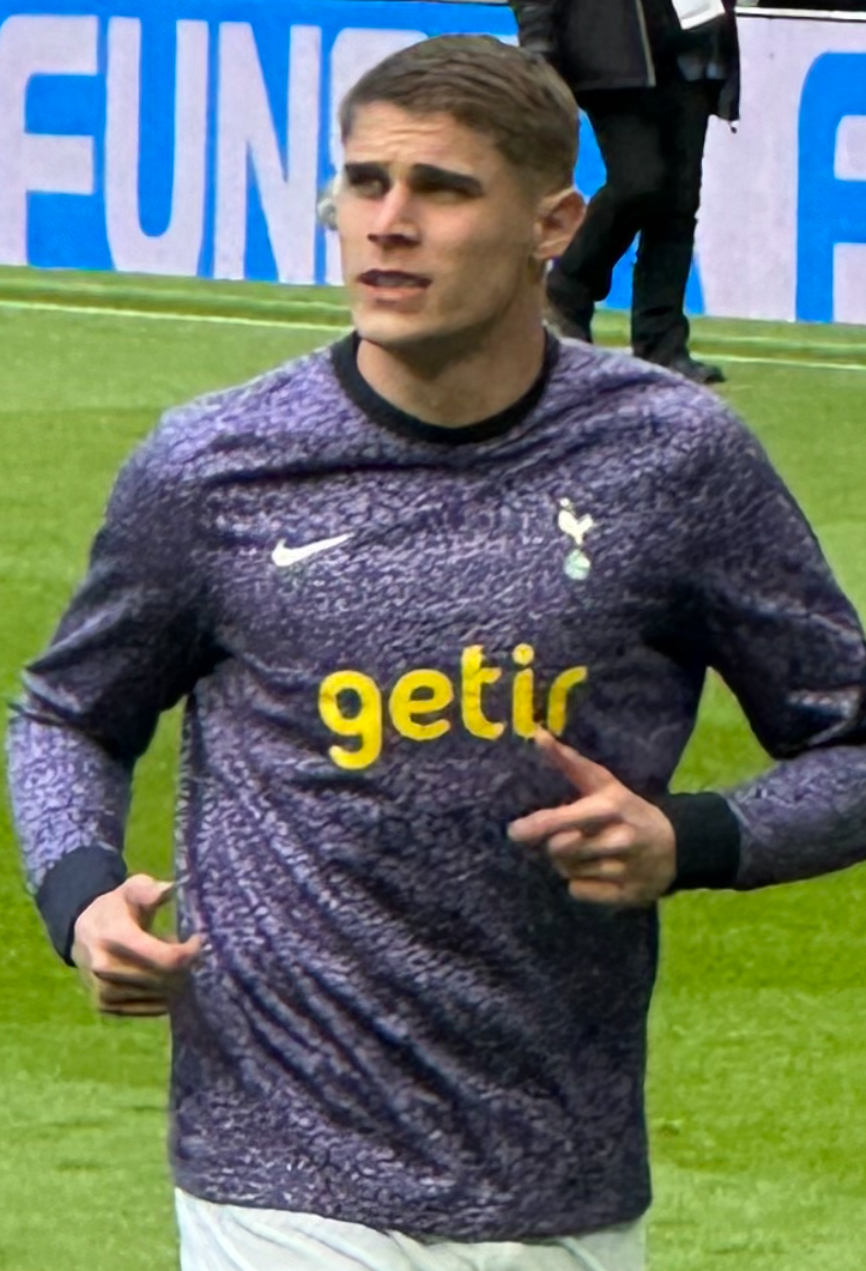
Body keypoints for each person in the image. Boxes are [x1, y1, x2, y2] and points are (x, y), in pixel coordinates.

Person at [7, 33, 866, 1271]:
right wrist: (81, 893)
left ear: (551, 223)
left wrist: (695, 838)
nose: (388, 223)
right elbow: (70, 712)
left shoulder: (672, 459)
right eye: (363, 183)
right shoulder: (211, 465)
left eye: (442, 188)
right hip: (277, 1176)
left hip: (556, 1176)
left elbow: (848, 740)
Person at [510, 0, 739, 384]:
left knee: (678, 202)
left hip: (694, 43)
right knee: (639, 182)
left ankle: (662, 344)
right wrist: (538, 41)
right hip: (610, 47)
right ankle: (568, 288)